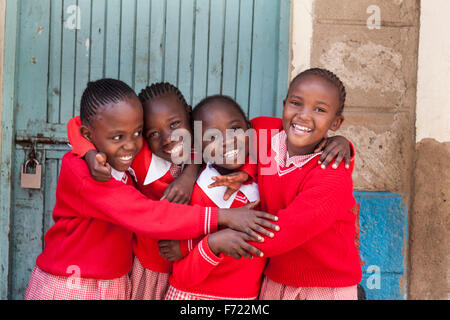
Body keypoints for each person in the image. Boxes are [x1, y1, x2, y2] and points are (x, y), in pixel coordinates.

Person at [24, 79, 279, 300]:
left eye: (136, 133)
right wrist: (89, 152)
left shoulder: (204, 150)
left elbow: (261, 129)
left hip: (131, 276)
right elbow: (145, 214)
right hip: (78, 278)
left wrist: (192, 173)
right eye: (151, 133)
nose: (129, 143)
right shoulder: (110, 164)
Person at [247, 68, 362, 300]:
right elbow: (219, 138)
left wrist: (211, 241)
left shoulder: (331, 171)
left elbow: (287, 231)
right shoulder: (264, 132)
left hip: (327, 286)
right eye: (296, 103)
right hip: (275, 278)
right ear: (284, 104)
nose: (304, 116)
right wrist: (244, 172)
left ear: (335, 122)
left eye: (320, 110)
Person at [163, 95, 267, 300]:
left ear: (249, 129)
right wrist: (212, 244)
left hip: (245, 298)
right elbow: (182, 277)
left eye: (235, 129)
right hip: (194, 296)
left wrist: (339, 140)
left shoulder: (264, 178)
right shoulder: (196, 194)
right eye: (211, 137)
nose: (227, 141)